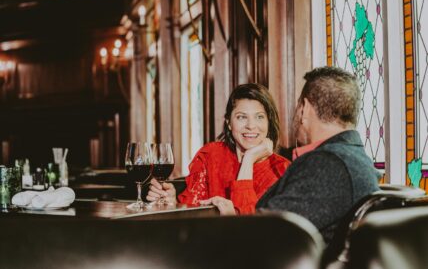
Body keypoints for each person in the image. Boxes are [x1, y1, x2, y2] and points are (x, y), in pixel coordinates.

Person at [208, 66, 381, 242]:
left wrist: (230, 218)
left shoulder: (328, 165)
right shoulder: (356, 157)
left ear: (304, 108)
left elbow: (259, 238)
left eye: (298, 104)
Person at [146, 83, 291, 214]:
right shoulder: (211, 155)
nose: (251, 125)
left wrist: (248, 159)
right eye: (241, 117)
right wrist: (173, 204)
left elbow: (250, 227)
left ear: (269, 122)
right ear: (229, 123)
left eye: (259, 117)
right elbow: (192, 214)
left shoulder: (282, 170)